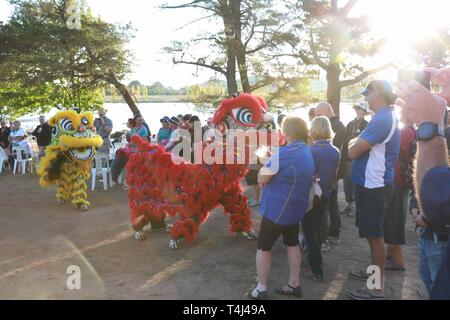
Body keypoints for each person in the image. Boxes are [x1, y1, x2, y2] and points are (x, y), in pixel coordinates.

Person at [397, 69, 450, 300]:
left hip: (438, 230)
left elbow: (439, 201)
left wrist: (430, 123)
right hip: (430, 228)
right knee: (428, 275)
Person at [248, 116, 314, 300]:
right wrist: (271, 160)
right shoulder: (306, 150)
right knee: (292, 243)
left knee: (263, 247)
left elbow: (262, 179)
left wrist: (264, 163)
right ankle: (294, 284)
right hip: (295, 209)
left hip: (277, 210)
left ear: (286, 133)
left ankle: (261, 288)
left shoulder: (283, 153)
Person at [346, 80, 400, 300]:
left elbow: (353, 151)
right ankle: (372, 275)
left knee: (374, 236)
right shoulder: (384, 116)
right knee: (372, 235)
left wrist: (354, 143)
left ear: (378, 93)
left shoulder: (382, 118)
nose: (365, 98)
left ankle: (376, 288)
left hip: (373, 187)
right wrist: (355, 142)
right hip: (374, 185)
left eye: (367, 93)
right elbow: (356, 145)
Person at [302, 116, 340, 281]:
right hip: (326, 194)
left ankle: (315, 268)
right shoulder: (335, 150)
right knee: (318, 228)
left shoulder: (312, 151)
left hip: (312, 195)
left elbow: (307, 175)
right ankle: (314, 262)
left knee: (310, 231)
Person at [383, 113, 416, 271]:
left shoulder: (405, 132)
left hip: (397, 180)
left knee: (394, 219)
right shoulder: (410, 130)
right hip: (400, 179)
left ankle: (397, 261)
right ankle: (391, 254)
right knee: (394, 217)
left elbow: (389, 148)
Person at [314, 102, 346, 249]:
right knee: (330, 205)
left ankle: (327, 236)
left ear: (327, 111)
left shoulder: (337, 126)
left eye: (318, 114)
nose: (316, 117)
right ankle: (333, 233)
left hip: (329, 174)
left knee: (326, 208)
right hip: (332, 171)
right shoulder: (337, 126)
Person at [341, 104, 370, 217]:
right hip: (347, 158)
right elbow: (344, 141)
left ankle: (357, 206)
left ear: (364, 112)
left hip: (358, 159)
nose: (358, 111)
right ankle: (349, 203)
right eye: (357, 108)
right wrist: (343, 158)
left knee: (355, 182)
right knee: (346, 182)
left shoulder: (367, 125)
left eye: (361, 109)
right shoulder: (350, 124)